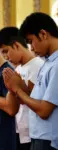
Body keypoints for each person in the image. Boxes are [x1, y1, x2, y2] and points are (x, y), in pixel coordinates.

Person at [4, 12, 58, 150]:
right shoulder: (47, 62)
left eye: (31, 41)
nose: (32, 48)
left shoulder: (56, 64)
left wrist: (18, 90)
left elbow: (45, 110)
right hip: (39, 136)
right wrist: (21, 88)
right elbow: (36, 99)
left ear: (43, 34)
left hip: (48, 139)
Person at [0, 26, 44, 150]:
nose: (5, 56)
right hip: (20, 130)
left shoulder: (38, 65)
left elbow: (40, 102)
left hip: (37, 132)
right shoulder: (17, 69)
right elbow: (13, 104)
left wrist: (17, 89)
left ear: (16, 45)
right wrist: (11, 89)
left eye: (6, 51)